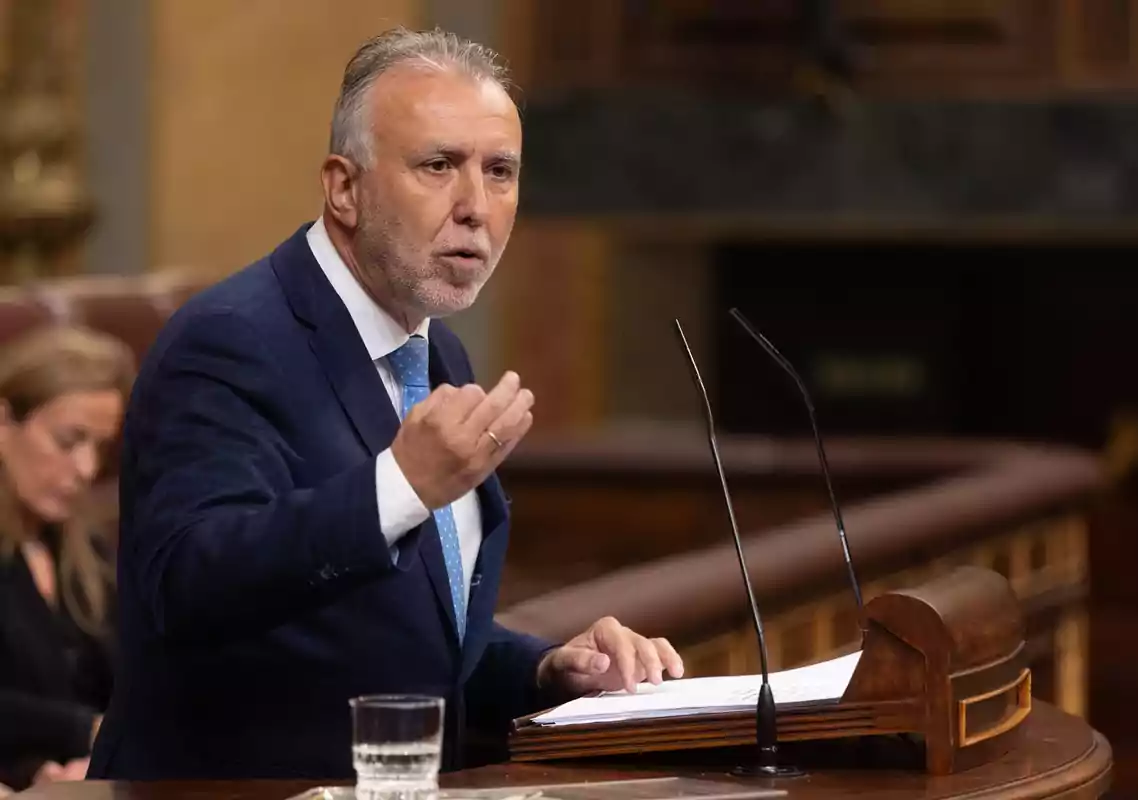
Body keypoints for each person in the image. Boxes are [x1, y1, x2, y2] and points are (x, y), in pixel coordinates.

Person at [88, 26, 684, 781]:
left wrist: (545, 672)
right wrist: (399, 487)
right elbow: (189, 586)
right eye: (439, 166)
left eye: (500, 171)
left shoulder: (438, 354)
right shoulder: (230, 341)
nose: (476, 207)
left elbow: (407, 635)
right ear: (344, 187)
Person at [0, 326, 134, 794]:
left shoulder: (82, 548)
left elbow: (129, 675)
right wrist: (81, 734)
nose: (87, 469)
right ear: (3, 422)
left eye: (99, 447)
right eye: (68, 440)